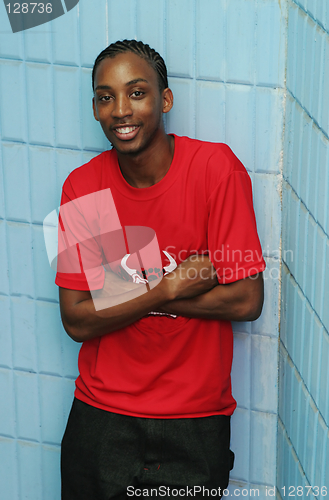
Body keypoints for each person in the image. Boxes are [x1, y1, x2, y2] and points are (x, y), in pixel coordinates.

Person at [56, 39, 265, 499]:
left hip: (194, 424)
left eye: (136, 92)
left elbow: (246, 299)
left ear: (164, 99)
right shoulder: (84, 188)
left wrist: (122, 298)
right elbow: (76, 318)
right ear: (94, 109)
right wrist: (168, 287)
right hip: (101, 419)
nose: (120, 110)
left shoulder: (216, 170)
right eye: (105, 96)